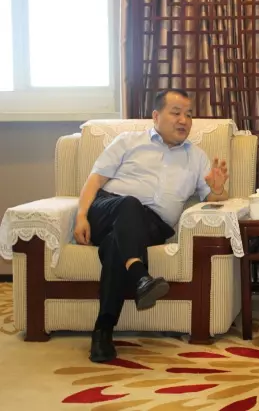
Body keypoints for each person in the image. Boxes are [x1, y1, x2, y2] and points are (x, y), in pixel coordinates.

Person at [74, 89, 229, 363]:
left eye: (189, 115)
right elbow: (95, 180)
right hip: (109, 208)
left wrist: (217, 189)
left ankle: (103, 331)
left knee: (114, 246)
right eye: (176, 113)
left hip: (153, 226)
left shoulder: (197, 157)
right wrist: (81, 216)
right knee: (130, 204)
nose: (184, 120)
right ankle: (139, 274)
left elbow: (213, 199)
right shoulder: (128, 141)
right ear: (156, 116)